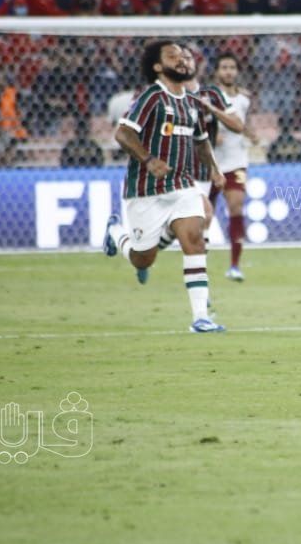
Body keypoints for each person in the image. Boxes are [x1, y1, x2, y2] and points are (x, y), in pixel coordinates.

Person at [102, 41, 226, 334]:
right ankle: (116, 233)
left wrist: (213, 168)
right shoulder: (151, 97)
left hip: (182, 184)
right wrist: (148, 160)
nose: (182, 60)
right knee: (143, 258)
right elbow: (123, 133)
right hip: (146, 189)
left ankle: (200, 318)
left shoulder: (191, 101)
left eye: (184, 56)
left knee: (194, 238)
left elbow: (201, 140)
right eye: (173, 56)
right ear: (158, 66)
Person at [194, 53, 259, 282]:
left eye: (232, 67)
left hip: (236, 161)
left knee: (236, 206)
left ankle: (235, 265)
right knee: (204, 214)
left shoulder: (244, 99)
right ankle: (199, 260)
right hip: (210, 164)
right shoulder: (207, 97)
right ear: (217, 72)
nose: (229, 71)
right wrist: (213, 136)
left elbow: (243, 123)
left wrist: (251, 135)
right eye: (224, 67)